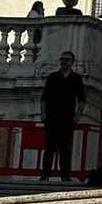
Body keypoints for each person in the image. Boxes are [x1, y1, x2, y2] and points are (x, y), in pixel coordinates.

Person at [40, 50, 86, 181]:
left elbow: (82, 99)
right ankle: (45, 174)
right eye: (62, 59)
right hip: (52, 116)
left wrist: (77, 116)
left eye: (67, 59)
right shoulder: (52, 77)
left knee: (65, 148)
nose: (64, 61)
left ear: (72, 62)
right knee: (50, 147)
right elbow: (44, 97)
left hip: (67, 118)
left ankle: (65, 175)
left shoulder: (76, 78)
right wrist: (43, 114)